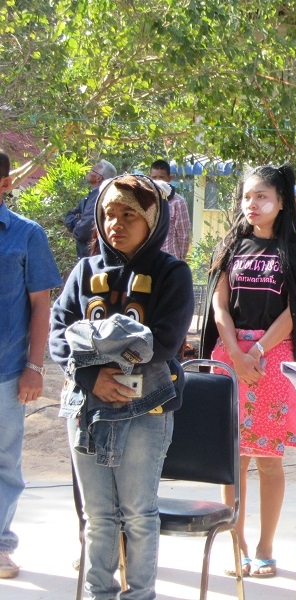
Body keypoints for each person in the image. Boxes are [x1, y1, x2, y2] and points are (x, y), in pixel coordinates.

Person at [50, 174, 194, 598]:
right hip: (87, 407)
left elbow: (164, 341)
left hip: (146, 409)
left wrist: (94, 346)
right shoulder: (84, 271)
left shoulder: (171, 274)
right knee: (98, 515)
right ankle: (100, 592)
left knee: (138, 513)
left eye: (129, 215)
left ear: (153, 220)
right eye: (109, 214)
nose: (116, 224)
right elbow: (59, 333)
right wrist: (92, 376)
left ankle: (140, 594)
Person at [200, 164, 296, 578]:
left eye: (262, 197)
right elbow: (219, 305)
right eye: (247, 197)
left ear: (282, 202)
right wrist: (236, 353)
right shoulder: (229, 247)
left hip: (274, 356)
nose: (252, 204)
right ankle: (235, 543)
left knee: (269, 460)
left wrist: (256, 350)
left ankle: (265, 547)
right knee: (233, 459)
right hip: (229, 355)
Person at [0, 151, 62, 579]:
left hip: (6, 372)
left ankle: (1, 545)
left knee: (5, 463)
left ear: (5, 184)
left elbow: (42, 305)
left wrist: (34, 368)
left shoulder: (27, 235)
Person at [65, 159, 117, 258]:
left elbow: (84, 231)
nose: (89, 172)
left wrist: (79, 222)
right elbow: (69, 215)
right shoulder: (90, 196)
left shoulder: (100, 198)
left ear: (98, 178)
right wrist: (78, 221)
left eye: (92, 170)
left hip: (93, 257)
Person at [149, 159, 191, 260]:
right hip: (148, 259)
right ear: (149, 177)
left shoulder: (178, 202)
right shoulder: (144, 200)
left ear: (169, 178)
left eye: (161, 177)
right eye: (154, 178)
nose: (158, 181)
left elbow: (183, 234)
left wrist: (180, 260)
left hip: (170, 258)